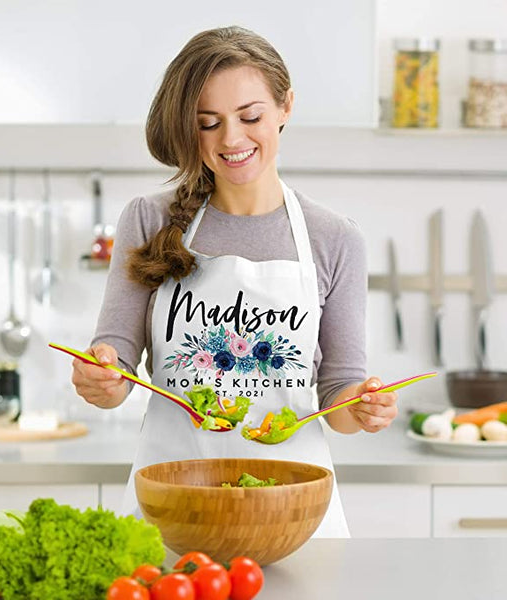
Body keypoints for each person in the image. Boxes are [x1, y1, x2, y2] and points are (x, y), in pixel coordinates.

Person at [71, 25, 398, 537]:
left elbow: (337, 396)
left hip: (292, 509)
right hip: (175, 501)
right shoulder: (148, 220)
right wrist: (100, 376)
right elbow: (115, 366)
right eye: (208, 123)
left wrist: (364, 407)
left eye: (251, 116)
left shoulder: (336, 238)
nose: (232, 139)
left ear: (286, 107)